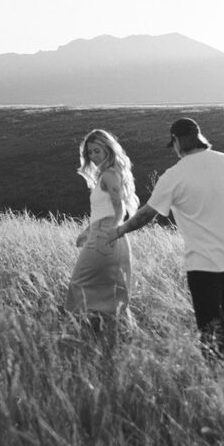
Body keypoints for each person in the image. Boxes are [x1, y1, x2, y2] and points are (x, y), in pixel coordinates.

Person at [110, 117, 224, 367]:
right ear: (199, 137)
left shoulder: (173, 175)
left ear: (175, 142)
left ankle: (220, 372)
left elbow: (145, 215)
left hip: (204, 262)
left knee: (209, 322)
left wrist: (118, 231)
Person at [65, 129, 140, 327]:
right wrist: (87, 232)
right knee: (107, 284)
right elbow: (103, 209)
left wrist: (112, 231)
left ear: (109, 149)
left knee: (79, 281)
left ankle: (84, 327)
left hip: (106, 233)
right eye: (90, 152)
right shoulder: (104, 175)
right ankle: (104, 328)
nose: (94, 156)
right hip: (102, 231)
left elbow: (119, 206)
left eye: (97, 151)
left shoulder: (109, 175)